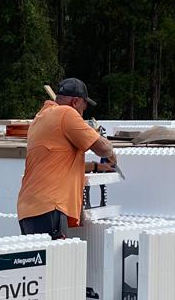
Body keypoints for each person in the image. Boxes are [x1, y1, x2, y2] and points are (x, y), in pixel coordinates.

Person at [17, 77, 118, 240]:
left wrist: (95, 166)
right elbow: (103, 149)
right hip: (50, 207)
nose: (82, 114)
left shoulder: (40, 118)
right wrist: (105, 144)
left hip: (29, 208)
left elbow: (58, 162)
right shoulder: (66, 113)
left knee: (41, 264)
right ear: (76, 102)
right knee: (56, 262)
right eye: (83, 108)